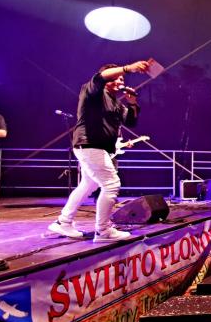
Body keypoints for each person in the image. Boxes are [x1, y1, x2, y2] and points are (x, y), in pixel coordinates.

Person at [48, 60, 149, 241]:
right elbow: (101, 77)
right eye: (117, 77)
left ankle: (63, 221)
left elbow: (130, 121)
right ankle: (103, 231)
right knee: (111, 184)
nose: (121, 81)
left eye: (122, 78)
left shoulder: (116, 102)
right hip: (90, 143)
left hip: (98, 147)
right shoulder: (93, 91)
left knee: (88, 184)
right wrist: (128, 68)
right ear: (108, 78)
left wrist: (133, 103)